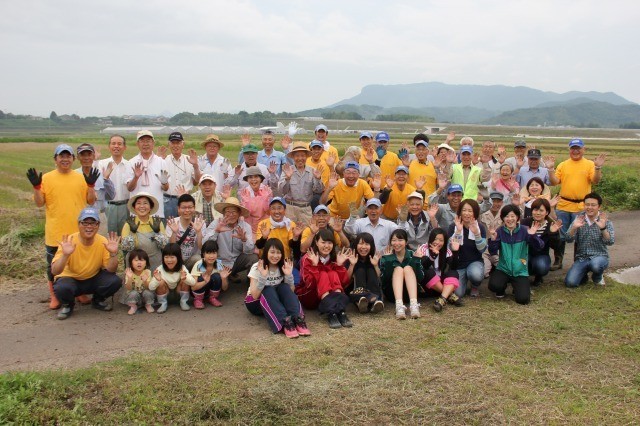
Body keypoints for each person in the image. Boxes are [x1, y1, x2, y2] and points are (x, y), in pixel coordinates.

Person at [27, 144, 97, 309]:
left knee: (77, 264)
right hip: (55, 231)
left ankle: (79, 292)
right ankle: (54, 295)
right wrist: (37, 187)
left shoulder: (80, 177)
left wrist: (91, 186)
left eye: (68, 156)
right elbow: (39, 203)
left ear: (73, 159)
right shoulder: (47, 178)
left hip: (77, 231)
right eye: (61, 156)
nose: (65, 159)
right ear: (55, 159)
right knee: (53, 265)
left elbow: (91, 201)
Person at [51, 207, 122, 320]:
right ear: (79, 224)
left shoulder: (102, 241)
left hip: (92, 278)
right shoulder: (69, 241)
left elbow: (111, 270)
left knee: (114, 281)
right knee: (62, 287)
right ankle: (68, 306)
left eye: (93, 223)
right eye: (85, 223)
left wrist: (113, 254)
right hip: (71, 279)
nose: (89, 226)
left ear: (98, 226)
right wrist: (65, 255)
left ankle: (97, 300)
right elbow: (55, 271)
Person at [547, 138, 606, 270]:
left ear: (583, 149)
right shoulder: (563, 165)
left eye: (578, 148)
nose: (575, 151)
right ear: (569, 150)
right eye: (573, 148)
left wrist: (597, 167)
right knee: (560, 235)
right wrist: (550, 169)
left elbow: (595, 180)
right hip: (563, 205)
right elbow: (554, 181)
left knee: (580, 236)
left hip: (581, 206)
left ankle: (578, 262)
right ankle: (558, 259)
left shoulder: (590, 164)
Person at [245, 238, 311, 338]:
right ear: (266, 252)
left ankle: (298, 319)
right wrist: (263, 277)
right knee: (268, 289)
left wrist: (289, 276)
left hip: (274, 301)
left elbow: (291, 292)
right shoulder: (258, 266)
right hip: (255, 302)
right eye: (272, 252)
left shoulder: (283, 266)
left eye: (278, 252)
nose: (275, 256)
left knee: (284, 286)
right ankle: (286, 323)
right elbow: (254, 295)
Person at [487, 205, 544, 305]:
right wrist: (493, 240)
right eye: (507, 216)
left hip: (520, 270)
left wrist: (532, 235)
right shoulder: (499, 231)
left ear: (518, 217)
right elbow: (492, 252)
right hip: (503, 268)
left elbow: (539, 246)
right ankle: (501, 289)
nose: (510, 219)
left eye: (513, 216)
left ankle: (517, 287)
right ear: (503, 218)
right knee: (494, 286)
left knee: (523, 300)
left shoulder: (525, 230)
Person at [297, 229, 352, 329]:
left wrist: (339, 265)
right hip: (310, 297)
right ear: (316, 243)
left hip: (329, 297)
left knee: (332, 273)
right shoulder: (308, 257)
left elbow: (344, 283)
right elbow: (309, 284)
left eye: (330, 243)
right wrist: (314, 266)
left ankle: (339, 311)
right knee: (322, 274)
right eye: (323, 242)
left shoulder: (335, 257)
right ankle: (333, 312)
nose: (326, 246)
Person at [203, 197, 258, 285]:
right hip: (219, 262)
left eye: (234, 212)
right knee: (219, 285)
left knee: (253, 258)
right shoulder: (216, 223)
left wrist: (244, 240)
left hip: (236, 262)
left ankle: (251, 286)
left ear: (239, 213)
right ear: (223, 213)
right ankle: (226, 276)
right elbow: (204, 244)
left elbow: (249, 251)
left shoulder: (245, 226)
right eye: (228, 212)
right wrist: (216, 231)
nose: (231, 215)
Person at [564, 192, 614, 287]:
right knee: (570, 283)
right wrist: (574, 228)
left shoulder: (604, 220)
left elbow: (610, 241)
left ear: (599, 206)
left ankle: (597, 277)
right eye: (587, 204)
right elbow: (568, 239)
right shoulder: (579, 219)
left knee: (595, 266)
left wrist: (603, 229)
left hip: (599, 256)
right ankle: (583, 275)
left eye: (593, 205)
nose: (589, 207)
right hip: (582, 258)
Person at [379, 229, 424, 319]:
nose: (397, 243)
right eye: (394, 240)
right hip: (392, 294)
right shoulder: (386, 257)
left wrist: (416, 260)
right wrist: (389, 261)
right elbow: (383, 281)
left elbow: (420, 278)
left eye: (400, 240)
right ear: (390, 242)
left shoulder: (413, 254)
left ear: (406, 242)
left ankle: (414, 306)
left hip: (410, 293)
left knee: (407, 268)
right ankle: (399, 307)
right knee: (398, 269)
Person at [278, 142, 325, 224]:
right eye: (297, 156)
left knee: (307, 233)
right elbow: (282, 191)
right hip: (290, 209)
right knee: (290, 234)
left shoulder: (313, 171)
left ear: (306, 157)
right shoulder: (287, 170)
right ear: (293, 157)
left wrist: (318, 179)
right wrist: (287, 179)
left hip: (306, 209)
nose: (300, 158)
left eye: (303, 155)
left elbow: (319, 190)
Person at [448, 199, 487, 298]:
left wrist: (477, 234)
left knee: (476, 275)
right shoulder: (453, 226)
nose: (466, 213)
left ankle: (474, 285)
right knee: (458, 293)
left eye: (470, 211)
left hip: (475, 261)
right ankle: (463, 279)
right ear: (460, 211)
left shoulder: (480, 227)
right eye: (464, 210)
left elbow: (482, 249)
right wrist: (458, 231)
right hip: (459, 264)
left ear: (475, 213)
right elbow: (452, 248)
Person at [126, 130, 169, 218]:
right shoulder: (131, 162)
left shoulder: (161, 162)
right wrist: (136, 177)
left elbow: (166, 188)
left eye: (148, 141)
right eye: (142, 141)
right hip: (137, 212)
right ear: (137, 144)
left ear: (153, 143)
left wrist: (164, 182)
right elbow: (129, 188)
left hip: (157, 212)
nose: (145, 144)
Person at [121, 192, 167, 271]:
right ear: (134, 207)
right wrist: (132, 233)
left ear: (151, 207)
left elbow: (164, 245)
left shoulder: (157, 222)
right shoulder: (129, 223)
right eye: (138, 203)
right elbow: (126, 248)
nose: (142, 206)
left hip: (154, 260)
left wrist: (157, 233)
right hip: (135, 261)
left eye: (145, 203)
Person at [520, 199, 562, 286]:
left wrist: (552, 233)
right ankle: (523, 278)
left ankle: (538, 277)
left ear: (546, 212)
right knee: (521, 263)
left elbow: (556, 246)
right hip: (525, 254)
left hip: (542, 254)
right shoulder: (525, 223)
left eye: (541, 210)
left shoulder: (551, 225)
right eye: (535, 210)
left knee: (541, 267)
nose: (537, 213)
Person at [419, 228, 462, 312]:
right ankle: (449, 295)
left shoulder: (447, 251)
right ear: (430, 239)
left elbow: (454, 267)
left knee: (453, 272)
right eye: (435, 239)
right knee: (428, 272)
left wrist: (456, 252)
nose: (437, 242)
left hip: (441, 283)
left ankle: (441, 300)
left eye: (441, 240)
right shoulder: (423, 248)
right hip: (429, 286)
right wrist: (433, 256)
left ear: (444, 242)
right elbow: (424, 266)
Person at [75, 143, 114, 235]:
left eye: (89, 154)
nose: (86, 158)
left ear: (93, 156)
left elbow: (111, 196)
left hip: (99, 217)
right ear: (77, 157)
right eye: (82, 155)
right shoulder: (74, 175)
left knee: (101, 245)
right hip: (81, 218)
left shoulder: (101, 174)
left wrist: (106, 179)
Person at [162, 132, 201, 219]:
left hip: (186, 201)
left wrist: (195, 165)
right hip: (168, 201)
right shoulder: (164, 160)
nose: (175, 145)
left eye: (178, 143)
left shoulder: (189, 159)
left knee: (186, 228)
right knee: (169, 228)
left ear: (183, 144)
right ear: (169, 145)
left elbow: (196, 182)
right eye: (173, 143)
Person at [148, 243, 196, 312]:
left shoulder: (182, 268)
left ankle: (183, 302)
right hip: (166, 295)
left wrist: (185, 279)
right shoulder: (160, 269)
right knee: (160, 282)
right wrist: (157, 280)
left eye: (172, 257)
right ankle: (163, 304)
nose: (169, 260)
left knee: (185, 280)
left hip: (178, 294)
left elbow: (193, 282)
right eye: (166, 257)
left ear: (178, 257)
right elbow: (151, 287)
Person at [99, 134, 131, 235]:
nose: (116, 146)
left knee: (125, 238)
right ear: (109, 147)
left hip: (125, 206)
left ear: (124, 147)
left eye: (119, 144)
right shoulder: (101, 164)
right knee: (108, 238)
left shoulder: (129, 165)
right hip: (108, 206)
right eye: (113, 143)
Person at [345, 232, 384, 314]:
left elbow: (380, 278)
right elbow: (346, 280)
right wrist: (352, 265)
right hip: (356, 290)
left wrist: (376, 265)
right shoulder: (351, 256)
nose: (363, 247)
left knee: (371, 270)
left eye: (367, 244)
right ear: (356, 245)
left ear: (371, 246)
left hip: (372, 288)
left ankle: (373, 302)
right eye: (361, 244)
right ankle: (366, 300)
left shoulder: (375, 257)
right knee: (360, 270)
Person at [165, 194, 206, 270]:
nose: (187, 210)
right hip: (177, 259)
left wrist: (198, 232)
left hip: (193, 259)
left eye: (190, 207)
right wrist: (174, 233)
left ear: (194, 208)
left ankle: (201, 280)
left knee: (200, 259)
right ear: (178, 209)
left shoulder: (200, 223)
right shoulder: (172, 223)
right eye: (184, 207)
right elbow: (171, 249)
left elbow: (202, 248)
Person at [190, 240, 232, 308]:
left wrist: (223, 279)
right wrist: (204, 282)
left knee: (217, 276)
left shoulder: (218, 264)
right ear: (203, 254)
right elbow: (193, 287)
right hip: (197, 290)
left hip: (210, 290)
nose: (211, 256)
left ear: (217, 253)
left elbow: (224, 288)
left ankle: (212, 298)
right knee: (201, 278)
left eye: (214, 253)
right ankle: (198, 300)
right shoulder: (199, 264)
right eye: (208, 253)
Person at [238, 166, 274, 235]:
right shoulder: (244, 193)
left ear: (261, 179)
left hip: (265, 227)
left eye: (256, 177)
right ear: (247, 180)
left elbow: (269, 212)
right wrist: (247, 202)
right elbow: (245, 214)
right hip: (250, 228)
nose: (253, 179)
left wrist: (265, 200)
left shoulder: (267, 191)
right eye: (250, 177)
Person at [479, 192, 504, 278]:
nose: (495, 204)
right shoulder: (481, 213)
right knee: (483, 274)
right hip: (485, 249)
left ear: (502, 202)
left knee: (506, 272)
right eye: (493, 201)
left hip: (499, 249)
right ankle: (490, 266)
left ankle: (496, 268)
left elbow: (519, 218)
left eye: (498, 201)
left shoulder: (505, 214)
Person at [121, 249, 154, 315]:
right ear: (131, 263)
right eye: (136, 260)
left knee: (148, 293)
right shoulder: (129, 272)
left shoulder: (147, 272)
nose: (139, 262)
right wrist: (130, 278)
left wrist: (145, 281)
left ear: (146, 263)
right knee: (133, 293)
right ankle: (133, 307)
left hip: (144, 297)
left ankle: (148, 305)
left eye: (142, 260)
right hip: (134, 297)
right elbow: (129, 288)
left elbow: (149, 288)